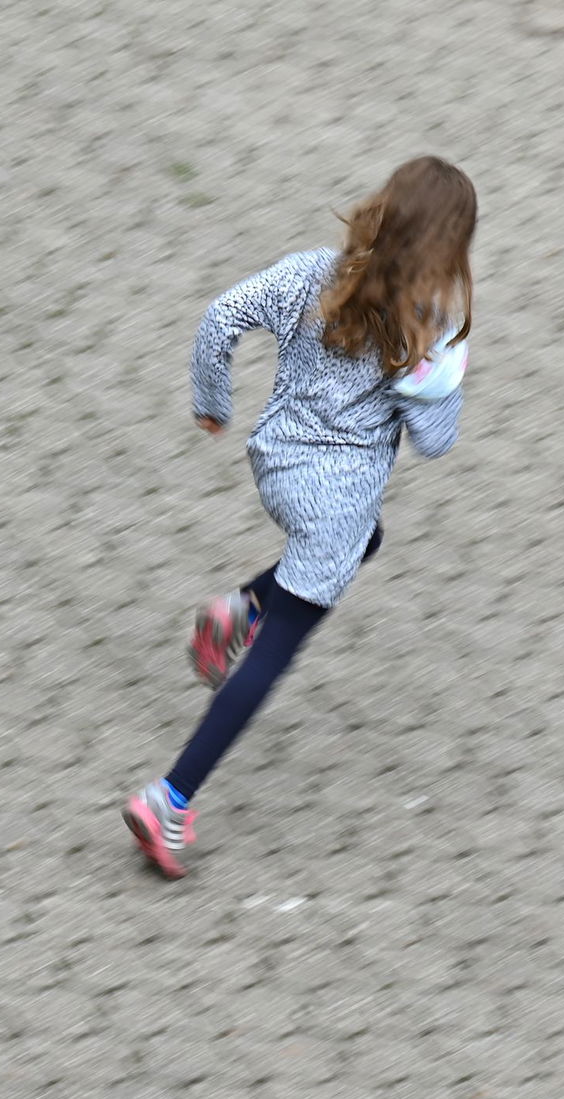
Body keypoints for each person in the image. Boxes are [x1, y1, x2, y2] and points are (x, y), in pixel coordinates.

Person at [123, 155, 477, 878]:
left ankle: (242, 606)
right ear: (449, 248)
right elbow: (436, 444)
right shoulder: (426, 328)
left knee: (367, 539)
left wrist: (212, 400)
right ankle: (171, 797)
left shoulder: (316, 270)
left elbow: (222, 315)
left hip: (275, 462)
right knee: (276, 654)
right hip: (334, 503)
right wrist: (441, 378)